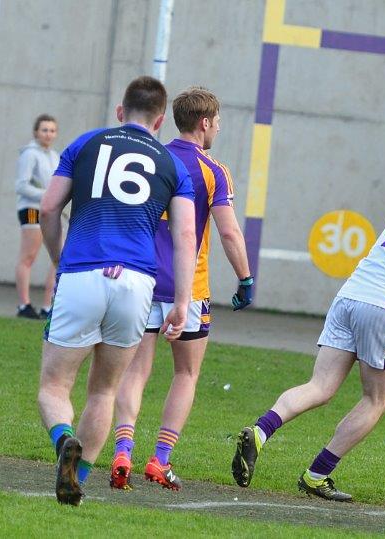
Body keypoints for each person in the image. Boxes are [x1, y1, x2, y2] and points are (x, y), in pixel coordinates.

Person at [231, 173, 385, 501]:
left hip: (348, 299)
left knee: (319, 387)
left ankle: (261, 431)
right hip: (383, 309)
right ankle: (316, 475)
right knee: (378, 399)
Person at [37, 76, 197, 506]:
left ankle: (64, 440)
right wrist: (182, 301)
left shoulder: (85, 144)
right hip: (138, 284)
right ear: (161, 120)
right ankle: (78, 480)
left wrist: (58, 258)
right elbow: (185, 235)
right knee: (104, 391)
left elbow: (49, 208)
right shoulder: (172, 165)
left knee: (54, 386)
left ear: (120, 111)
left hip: (83, 272)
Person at [110, 87, 254, 491]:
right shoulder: (213, 170)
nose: (218, 129)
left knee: (135, 370)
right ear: (205, 122)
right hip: (188, 286)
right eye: (218, 122)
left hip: (140, 279)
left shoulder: (151, 159)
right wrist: (245, 277)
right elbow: (228, 231)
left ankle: (123, 449)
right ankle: (160, 459)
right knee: (186, 373)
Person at [14, 114, 60, 319]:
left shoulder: (55, 156)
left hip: (51, 210)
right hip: (32, 209)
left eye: (52, 130)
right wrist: (48, 195)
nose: (48, 134)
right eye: (44, 130)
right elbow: (21, 186)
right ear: (36, 132)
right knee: (29, 256)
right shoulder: (29, 154)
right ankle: (24, 305)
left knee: (57, 256)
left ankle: (48, 305)